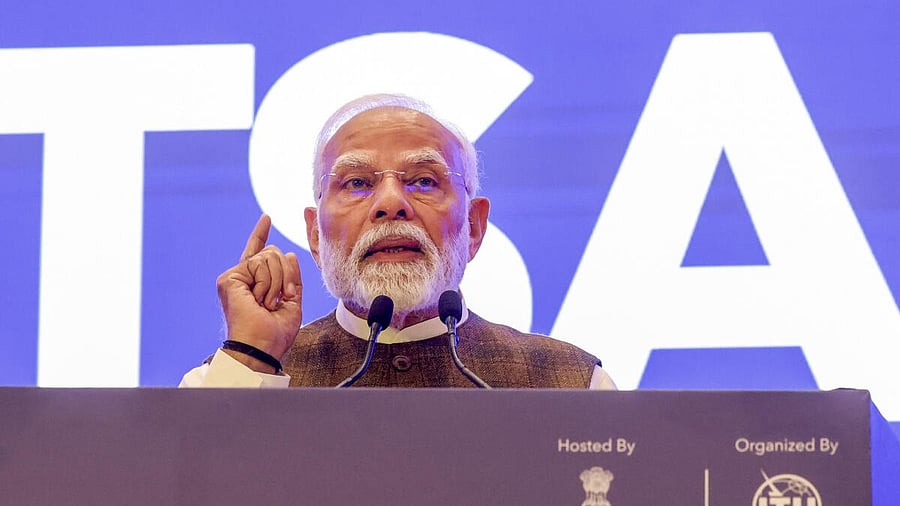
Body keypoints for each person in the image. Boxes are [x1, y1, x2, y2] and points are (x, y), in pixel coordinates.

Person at [180, 94, 615, 389]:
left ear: (474, 228)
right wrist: (253, 357)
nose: (391, 203)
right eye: (356, 183)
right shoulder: (225, 380)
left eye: (424, 181)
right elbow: (187, 486)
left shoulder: (572, 383)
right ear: (315, 234)